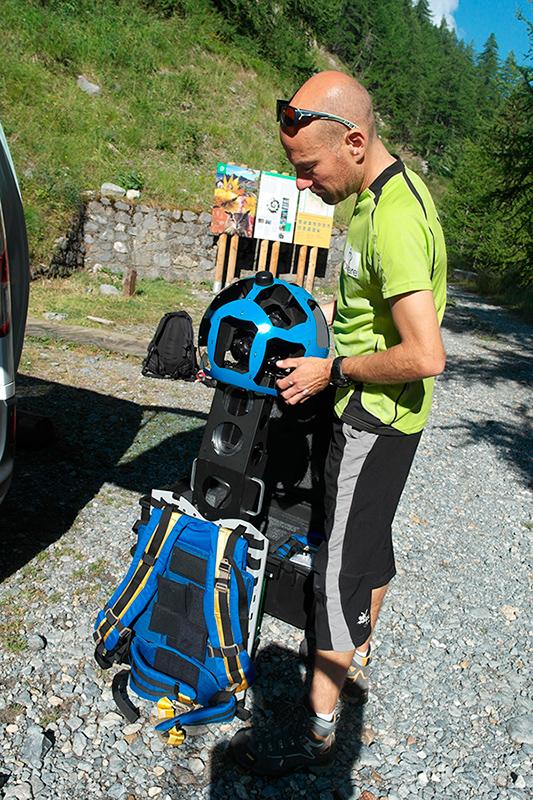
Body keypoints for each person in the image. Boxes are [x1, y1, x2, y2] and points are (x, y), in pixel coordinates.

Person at [230, 70, 447, 776]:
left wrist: (335, 371)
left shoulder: (393, 218)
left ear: (353, 142)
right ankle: (355, 648)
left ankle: (317, 731)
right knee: (367, 545)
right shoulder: (373, 197)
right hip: (376, 415)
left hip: (371, 420)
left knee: (334, 573)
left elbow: (424, 353)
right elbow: (370, 316)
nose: (300, 183)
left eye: (308, 167)